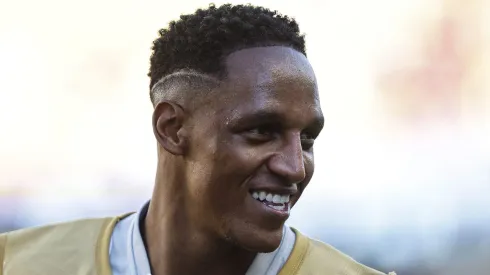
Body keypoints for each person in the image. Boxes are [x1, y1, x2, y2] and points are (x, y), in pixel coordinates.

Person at [0, 4, 395, 275]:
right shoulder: (18, 263)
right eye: (261, 131)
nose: (294, 167)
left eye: (307, 139)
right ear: (172, 128)